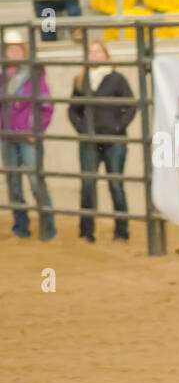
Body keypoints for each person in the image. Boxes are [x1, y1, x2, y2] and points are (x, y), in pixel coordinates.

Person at [69, 40, 136, 242]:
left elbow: (131, 105)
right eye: (91, 52)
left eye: (98, 52)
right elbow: (73, 109)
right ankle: (86, 231)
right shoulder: (81, 80)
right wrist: (82, 129)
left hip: (113, 140)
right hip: (89, 140)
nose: (94, 56)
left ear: (106, 55)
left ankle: (121, 232)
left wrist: (118, 127)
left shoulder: (117, 78)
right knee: (88, 185)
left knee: (116, 185)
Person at [1, 29, 56, 239]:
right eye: (10, 50)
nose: (14, 54)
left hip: (27, 136)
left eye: (17, 50)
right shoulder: (2, 76)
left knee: (35, 182)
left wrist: (37, 129)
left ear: (23, 51)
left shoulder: (34, 74)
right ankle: (21, 227)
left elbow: (46, 105)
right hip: (7, 136)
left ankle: (48, 228)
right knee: (14, 184)